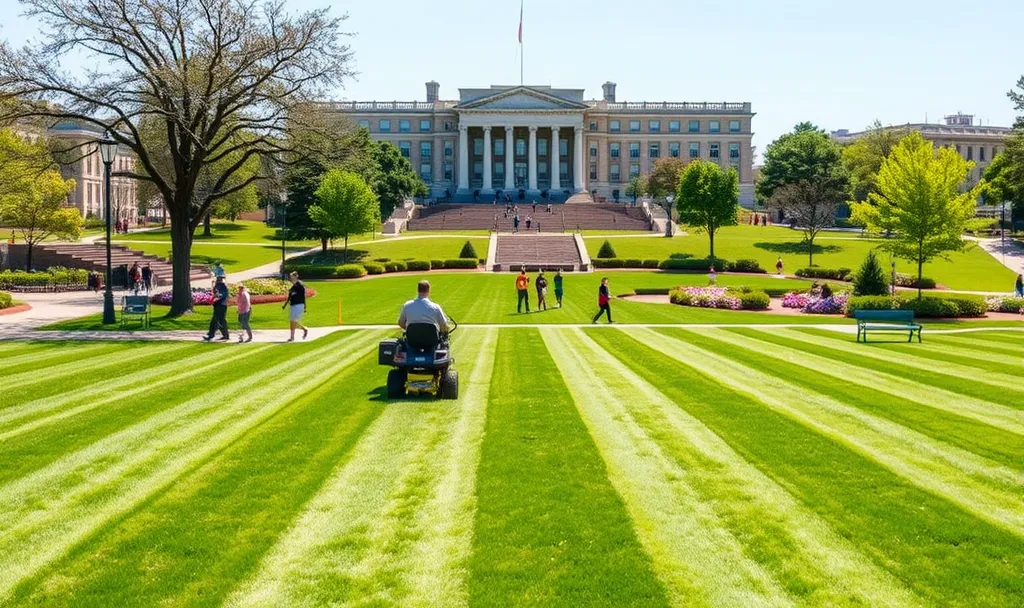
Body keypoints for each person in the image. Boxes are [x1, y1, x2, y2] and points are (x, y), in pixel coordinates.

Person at [282, 271, 309, 341]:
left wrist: (304, 307)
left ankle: (292, 337)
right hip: (293, 305)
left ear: (296, 277)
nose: (291, 278)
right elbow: (290, 296)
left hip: (299, 305)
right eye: (291, 277)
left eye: (292, 277)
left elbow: (302, 296)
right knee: (292, 322)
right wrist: (285, 304)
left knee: (294, 321)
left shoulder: (299, 285)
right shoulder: (293, 287)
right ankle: (303, 329)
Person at [203, 276, 230, 341]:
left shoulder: (222, 287)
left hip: (221, 306)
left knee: (216, 320)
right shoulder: (219, 287)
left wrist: (216, 298)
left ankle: (211, 334)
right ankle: (225, 335)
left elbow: (221, 296)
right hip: (219, 306)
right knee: (221, 321)